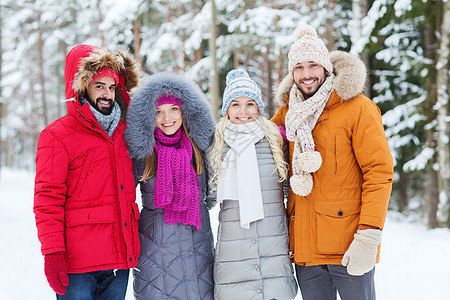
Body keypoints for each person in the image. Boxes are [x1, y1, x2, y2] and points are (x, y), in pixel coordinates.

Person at [270, 25, 394, 300]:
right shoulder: (287, 114)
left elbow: (379, 172)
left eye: (313, 65)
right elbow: (257, 142)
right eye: (299, 67)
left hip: (348, 247)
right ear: (292, 73)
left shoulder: (357, 108)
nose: (306, 74)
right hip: (305, 251)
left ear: (326, 67)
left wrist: (369, 235)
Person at [33, 44, 141, 299]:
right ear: (81, 86)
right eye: (99, 85)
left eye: (112, 87)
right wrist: (53, 253)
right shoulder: (57, 136)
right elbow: (47, 200)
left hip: (119, 262)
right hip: (78, 266)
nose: (107, 94)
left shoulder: (125, 133)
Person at [124, 72, 216, 300]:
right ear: (149, 115)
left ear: (185, 111)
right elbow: (121, 196)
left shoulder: (200, 150)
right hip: (156, 257)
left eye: (173, 109)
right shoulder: (142, 154)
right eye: (158, 111)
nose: (167, 117)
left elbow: (214, 193)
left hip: (198, 251)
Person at [208, 69, 298, 300]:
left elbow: (289, 189)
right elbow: (207, 197)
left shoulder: (275, 140)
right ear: (226, 108)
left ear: (259, 107)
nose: (243, 112)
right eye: (235, 104)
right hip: (233, 257)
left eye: (250, 104)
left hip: (273, 255)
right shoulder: (216, 144)